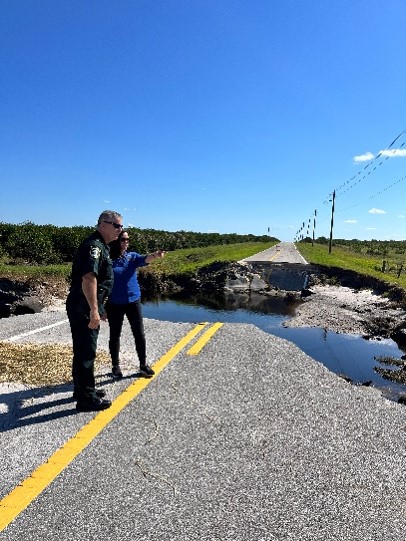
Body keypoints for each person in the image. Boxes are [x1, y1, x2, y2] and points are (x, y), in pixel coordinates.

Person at [66, 210, 123, 411]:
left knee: (83, 350)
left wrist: (101, 307)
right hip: (83, 307)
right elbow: (89, 279)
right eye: (117, 226)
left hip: (87, 305)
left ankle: (83, 389)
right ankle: (85, 399)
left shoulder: (103, 247)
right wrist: (93, 311)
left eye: (121, 226)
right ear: (103, 224)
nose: (120, 230)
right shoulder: (94, 247)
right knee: (86, 352)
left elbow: (101, 284)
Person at [105, 230, 164, 379]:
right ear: (116, 241)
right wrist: (101, 307)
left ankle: (143, 365)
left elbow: (145, 259)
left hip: (133, 301)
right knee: (115, 335)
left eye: (127, 240)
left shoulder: (131, 257)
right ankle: (115, 366)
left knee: (139, 334)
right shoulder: (107, 260)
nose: (126, 242)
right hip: (114, 303)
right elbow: (102, 284)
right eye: (123, 239)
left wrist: (155, 255)